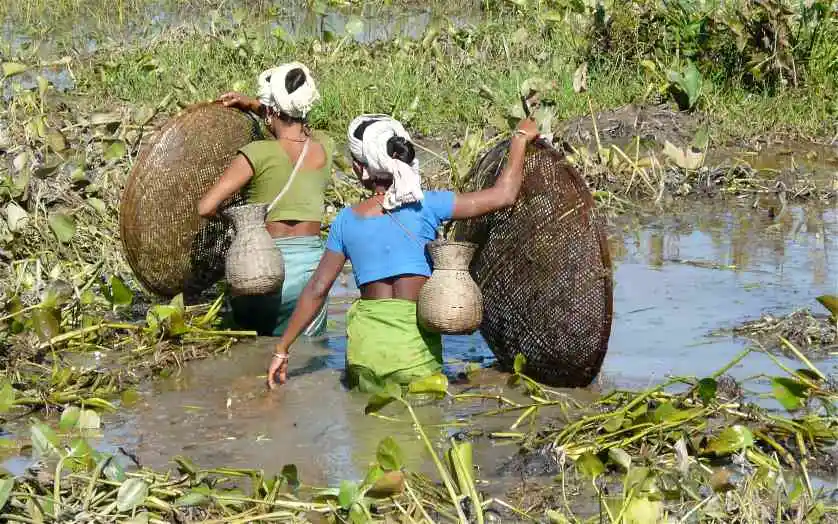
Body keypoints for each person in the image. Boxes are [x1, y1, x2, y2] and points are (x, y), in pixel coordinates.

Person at [266, 114, 539, 390]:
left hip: (365, 361)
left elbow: (317, 289)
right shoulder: (429, 206)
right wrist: (519, 139)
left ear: (362, 169)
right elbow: (504, 194)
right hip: (415, 363)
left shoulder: (345, 222)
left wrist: (282, 349)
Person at [198, 62, 333, 337]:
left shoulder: (256, 153)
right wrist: (255, 105)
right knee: (304, 354)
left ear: (272, 111)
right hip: (313, 274)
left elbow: (206, 207)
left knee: (255, 352)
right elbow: (294, 127)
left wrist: (235, 223)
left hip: (263, 266)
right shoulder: (325, 148)